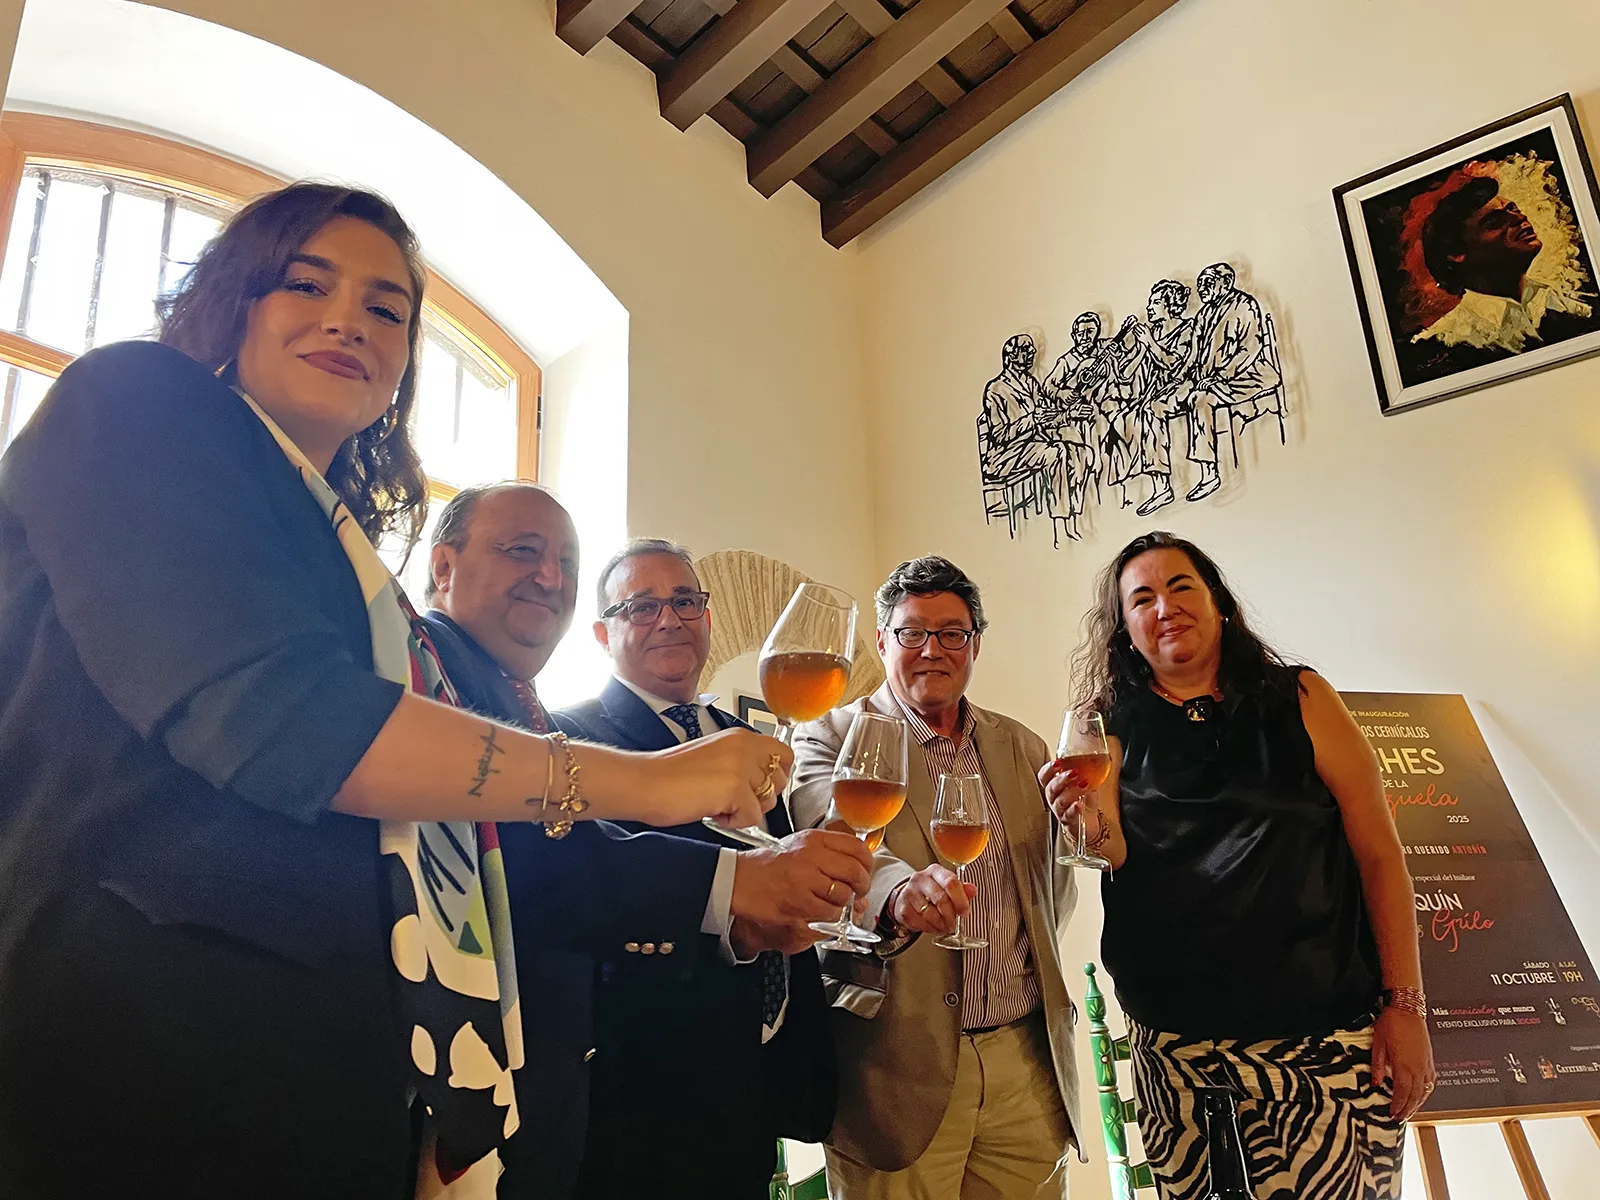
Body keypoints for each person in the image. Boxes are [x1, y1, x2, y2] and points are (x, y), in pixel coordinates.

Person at [0, 183, 787, 1200]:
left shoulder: (354, 572)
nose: (346, 320)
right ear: (233, 299)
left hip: (332, 1088)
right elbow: (285, 721)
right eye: (305, 282)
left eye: (386, 310)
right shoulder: (138, 402)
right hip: (132, 1055)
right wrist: (649, 782)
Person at [1043, 531, 1436, 1200]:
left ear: (1218, 603)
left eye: (1180, 586)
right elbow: (1108, 848)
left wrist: (1405, 1005)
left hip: (1326, 1047)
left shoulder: (1302, 699)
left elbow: (1379, 853)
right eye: (1141, 598)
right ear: (1124, 632)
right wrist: (1077, 816)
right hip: (1180, 1056)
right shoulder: (1104, 723)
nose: (1163, 606)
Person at [493, 535, 870, 1199]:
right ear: (603, 635)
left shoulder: (749, 740)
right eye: (641, 607)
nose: (668, 618)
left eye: (684, 601)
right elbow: (571, 902)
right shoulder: (565, 742)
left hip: (754, 1090)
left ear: (708, 618)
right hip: (639, 1096)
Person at [792, 555, 1082, 1200]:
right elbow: (834, 838)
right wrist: (897, 892)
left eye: (952, 633)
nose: (932, 649)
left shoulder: (1023, 747)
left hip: (1024, 1063)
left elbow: (1047, 890)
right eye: (912, 632)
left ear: (975, 644)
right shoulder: (828, 738)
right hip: (895, 1062)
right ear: (881, 642)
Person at [1413, 172, 1593, 355]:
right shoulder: (1446, 342)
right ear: (1456, 253)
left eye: (1513, 209)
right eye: (1495, 222)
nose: (1519, 218)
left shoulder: (1574, 304)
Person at [1183, 263, 1280, 502]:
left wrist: (1219, 376)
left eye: (1208, 283)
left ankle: (1209, 473)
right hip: (1211, 379)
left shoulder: (1244, 305)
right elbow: (1194, 354)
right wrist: (1186, 378)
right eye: (1200, 284)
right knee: (1185, 396)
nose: (1201, 289)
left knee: (1199, 401)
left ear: (1225, 283)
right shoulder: (1203, 314)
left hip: (1248, 375)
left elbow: (1250, 348)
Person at [1127, 279, 1199, 517]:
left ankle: (1162, 486)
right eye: (1150, 302)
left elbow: (1173, 365)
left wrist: (1149, 343)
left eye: (1156, 302)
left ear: (1171, 306)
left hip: (1183, 386)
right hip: (1157, 392)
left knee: (1151, 410)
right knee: (1134, 413)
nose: (1149, 307)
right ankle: (1152, 483)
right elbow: (1131, 371)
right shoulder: (1155, 332)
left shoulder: (1186, 329)